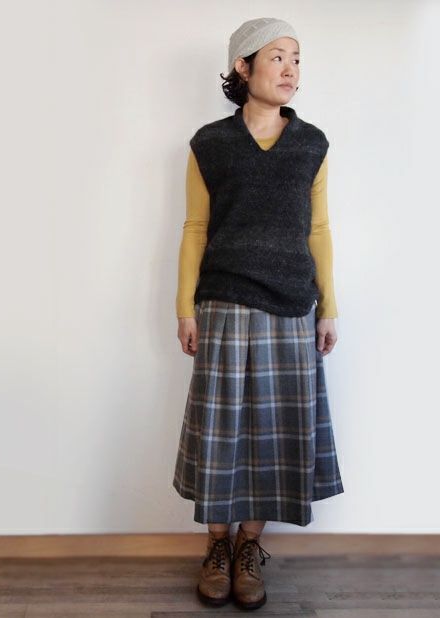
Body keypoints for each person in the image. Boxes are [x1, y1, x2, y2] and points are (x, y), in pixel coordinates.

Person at [172, 17, 344, 611]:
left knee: (274, 434)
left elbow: (319, 229)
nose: (291, 69)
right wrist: (184, 307)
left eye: (297, 58)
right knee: (222, 431)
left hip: (292, 306)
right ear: (242, 67)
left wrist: (329, 308)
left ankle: (249, 546)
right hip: (222, 304)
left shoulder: (312, 144)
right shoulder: (210, 144)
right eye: (277, 56)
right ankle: (216, 545)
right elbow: (195, 227)